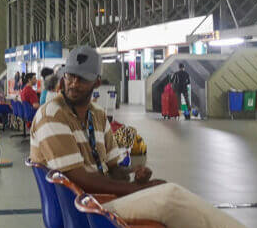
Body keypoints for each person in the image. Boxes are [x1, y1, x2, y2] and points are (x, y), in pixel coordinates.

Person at [30, 46, 163, 195]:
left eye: (82, 79)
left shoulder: (98, 115)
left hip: (104, 198)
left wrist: (133, 174)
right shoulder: (52, 115)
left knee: (169, 195)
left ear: (97, 83)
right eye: (70, 76)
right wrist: (138, 190)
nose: (74, 83)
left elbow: (113, 169)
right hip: (84, 207)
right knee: (170, 197)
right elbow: (78, 179)